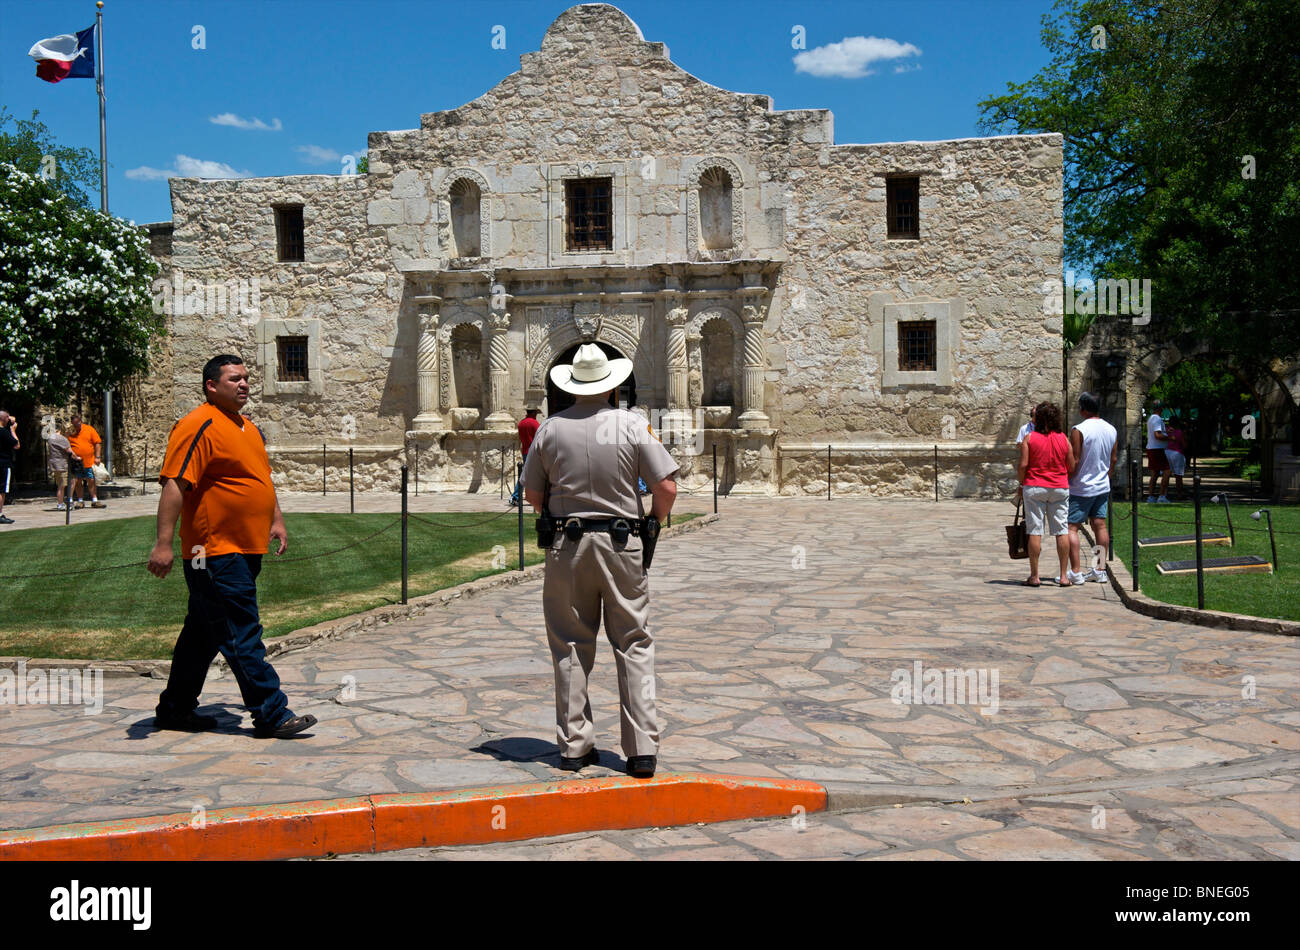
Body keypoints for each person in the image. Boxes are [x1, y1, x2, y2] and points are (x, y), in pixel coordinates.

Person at [523, 344, 678, 777]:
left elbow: (534, 496)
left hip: (567, 545)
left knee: (570, 643)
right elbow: (665, 487)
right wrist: (653, 524)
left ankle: (574, 745)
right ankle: (641, 749)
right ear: (612, 385)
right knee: (633, 641)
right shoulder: (632, 425)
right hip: (620, 541)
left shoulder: (549, 430)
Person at [147, 354, 316, 739]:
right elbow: (175, 483)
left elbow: (260, 478)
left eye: (246, 378)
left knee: (202, 635)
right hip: (213, 552)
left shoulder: (247, 427)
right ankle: (272, 713)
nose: (244, 384)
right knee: (242, 632)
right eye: (234, 379)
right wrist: (163, 544)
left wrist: (276, 519)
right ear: (211, 385)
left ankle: (174, 709)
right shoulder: (198, 424)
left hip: (244, 548)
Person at [1017, 400, 1076, 587]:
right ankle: (1064, 576)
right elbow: (1071, 465)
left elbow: (1024, 465)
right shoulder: (1063, 438)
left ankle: (1034, 575)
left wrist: (1021, 481)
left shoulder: (1030, 438)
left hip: (1035, 485)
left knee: (1035, 530)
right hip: (1059, 486)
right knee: (1061, 530)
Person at [1066, 392, 1117, 585]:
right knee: (1100, 526)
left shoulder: (1079, 429)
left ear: (1083, 409)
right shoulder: (1111, 429)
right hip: (1102, 485)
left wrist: (1068, 478)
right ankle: (1099, 568)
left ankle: (1076, 571)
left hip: (1081, 486)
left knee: (1071, 527)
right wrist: (1107, 477)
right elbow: (1113, 458)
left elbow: (1075, 460)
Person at [67, 413, 106, 509]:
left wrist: (97, 457)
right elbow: (66, 444)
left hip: (89, 461)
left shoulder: (89, 429)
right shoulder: (71, 432)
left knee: (91, 480)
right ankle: (80, 500)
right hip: (76, 462)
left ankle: (94, 500)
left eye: (77, 423)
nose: (76, 426)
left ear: (81, 421)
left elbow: (97, 443)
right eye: (74, 424)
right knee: (78, 481)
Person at [507, 407, 541, 508]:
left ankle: (518, 496)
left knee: (526, 475)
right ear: (534, 413)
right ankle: (515, 496)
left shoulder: (521, 423)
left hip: (525, 451)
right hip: (534, 452)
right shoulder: (534, 423)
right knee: (527, 476)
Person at [1145, 400, 1171, 503]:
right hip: (1157, 448)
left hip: (1152, 448)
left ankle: (1151, 496)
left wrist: (1166, 432)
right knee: (1167, 471)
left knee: (1155, 473)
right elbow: (1157, 435)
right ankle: (1162, 495)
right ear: (1160, 409)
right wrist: (1169, 438)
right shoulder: (1157, 419)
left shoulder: (1151, 418)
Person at [47, 418, 72, 510]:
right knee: (62, 485)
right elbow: (70, 452)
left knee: (60, 485)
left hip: (55, 464)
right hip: (62, 464)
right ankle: (61, 503)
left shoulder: (51, 438)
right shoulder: (62, 439)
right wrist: (77, 457)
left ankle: (63, 502)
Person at [0, 411, 18, 525]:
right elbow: (16, 445)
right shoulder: (4, 432)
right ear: (5, 419)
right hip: (3, 464)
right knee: (1, 490)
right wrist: (13, 430)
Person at [1164, 419, 1188, 500]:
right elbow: (1184, 445)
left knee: (1166, 474)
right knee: (1178, 476)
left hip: (1166, 452)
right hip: (1177, 453)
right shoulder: (1179, 432)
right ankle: (1179, 494)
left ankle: (1164, 493)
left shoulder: (1166, 432)